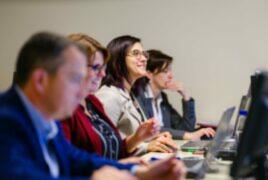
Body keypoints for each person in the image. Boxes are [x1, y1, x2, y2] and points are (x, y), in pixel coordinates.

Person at [0, 32, 185, 179]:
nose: (81, 90)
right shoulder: (6, 120)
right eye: (75, 79)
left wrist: (136, 170)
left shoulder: (45, 115)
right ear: (41, 81)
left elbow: (76, 159)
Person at [61, 33, 159, 161]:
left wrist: (137, 138)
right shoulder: (106, 96)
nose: (102, 74)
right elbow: (71, 164)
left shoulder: (93, 102)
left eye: (103, 67)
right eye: (96, 67)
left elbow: (112, 149)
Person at [95, 35, 177, 153]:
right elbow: (104, 146)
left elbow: (131, 136)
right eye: (136, 53)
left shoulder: (130, 94)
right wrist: (147, 147)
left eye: (144, 54)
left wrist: (155, 138)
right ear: (119, 59)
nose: (144, 59)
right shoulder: (109, 96)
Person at [134, 49, 215, 140]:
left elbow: (186, 128)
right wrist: (188, 135)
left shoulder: (162, 98)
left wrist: (185, 96)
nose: (171, 76)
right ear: (149, 74)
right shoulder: (138, 96)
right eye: (165, 71)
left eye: (170, 71)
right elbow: (150, 130)